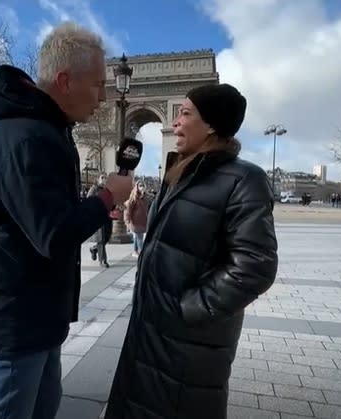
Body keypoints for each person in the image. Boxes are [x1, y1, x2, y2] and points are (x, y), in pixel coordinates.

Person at [0, 22, 134, 419]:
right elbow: (53, 234)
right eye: (97, 85)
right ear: (64, 81)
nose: (104, 97)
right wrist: (107, 196)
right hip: (18, 314)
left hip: (32, 308)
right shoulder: (29, 138)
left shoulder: (40, 129)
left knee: (42, 406)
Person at [105, 84, 279, 419]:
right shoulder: (180, 172)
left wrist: (187, 310)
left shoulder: (245, 179)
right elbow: (183, 241)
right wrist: (145, 222)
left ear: (212, 124)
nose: (174, 124)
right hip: (150, 331)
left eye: (185, 114)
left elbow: (255, 265)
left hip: (188, 344)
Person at [88, 175, 113, 268]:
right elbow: (88, 199)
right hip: (98, 217)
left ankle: (94, 249)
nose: (104, 179)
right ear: (98, 179)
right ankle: (102, 260)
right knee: (101, 239)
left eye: (105, 178)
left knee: (107, 237)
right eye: (102, 177)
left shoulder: (108, 190)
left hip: (108, 216)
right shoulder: (94, 189)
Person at [124, 181, 150, 257]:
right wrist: (127, 222)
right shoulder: (133, 198)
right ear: (137, 187)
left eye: (143, 185)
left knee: (137, 237)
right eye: (140, 186)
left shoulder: (146, 197)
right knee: (139, 238)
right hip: (135, 222)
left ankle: (135, 251)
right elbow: (128, 210)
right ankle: (142, 254)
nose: (142, 187)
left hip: (143, 221)